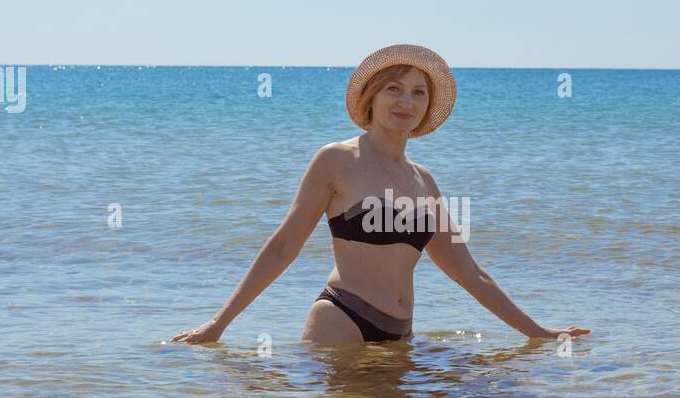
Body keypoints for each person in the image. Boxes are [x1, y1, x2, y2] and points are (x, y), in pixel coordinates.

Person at [170, 44, 590, 345]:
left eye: (418, 93)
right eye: (394, 89)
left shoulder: (424, 181)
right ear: (372, 98)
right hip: (341, 321)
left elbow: (469, 273)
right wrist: (218, 324)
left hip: (402, 334)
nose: (406, 101)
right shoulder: (336, 161)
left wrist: (538, 332)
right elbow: (283, 247)